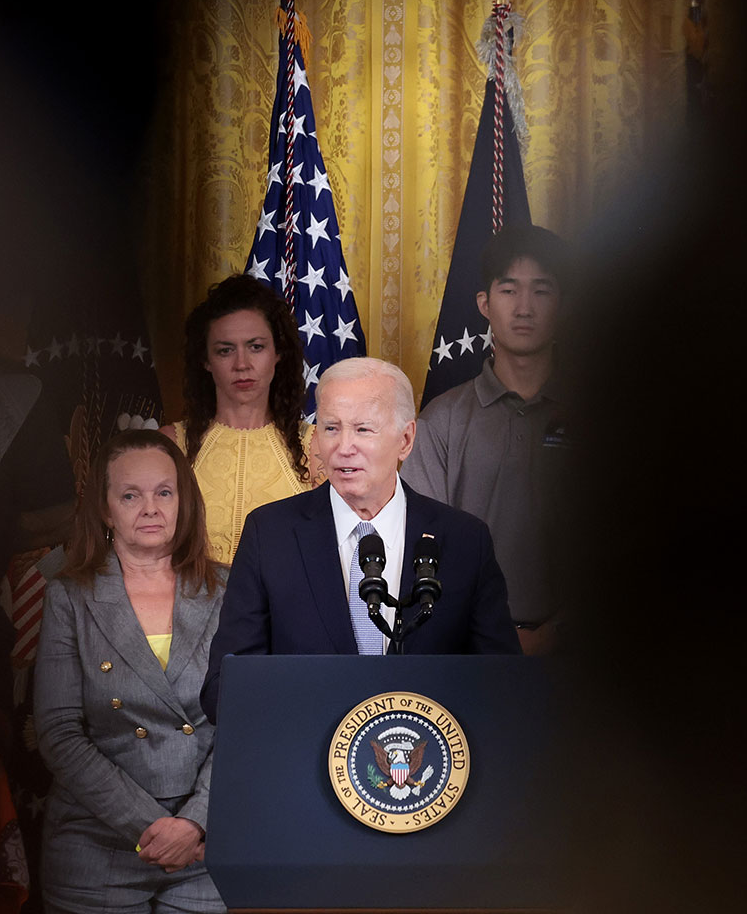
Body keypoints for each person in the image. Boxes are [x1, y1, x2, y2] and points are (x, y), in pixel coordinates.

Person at [201, 357, 521, 723]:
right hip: (304, 767)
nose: (343, 447)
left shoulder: (465, 541)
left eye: (363, 430)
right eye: (331, 428)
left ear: (406, 440)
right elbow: (222, 690)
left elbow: (505, 687)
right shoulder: (270, 534)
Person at [35, 429, 226, 914]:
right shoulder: (68, 597)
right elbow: (58, 733)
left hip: (206, 841)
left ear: (184, 500)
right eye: (130, 495)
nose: (150, 508)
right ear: (104, 508)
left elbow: (249, 723)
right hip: (96, 838)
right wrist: (149, 827)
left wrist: (194, 824)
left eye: (164, 492)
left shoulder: (230, 589)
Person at [403, 224, 571, 654]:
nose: (525, 308)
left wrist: (558, 633)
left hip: (583, 660)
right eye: (509, 290)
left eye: (542, 290)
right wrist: (494, 636)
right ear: (484, 304)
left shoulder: (603, 418)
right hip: (469, 655)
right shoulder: (441, 422)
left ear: (564, 304)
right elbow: (422, 551)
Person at [171, 275, 319, 565]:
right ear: (205, 360)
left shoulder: (317, 449)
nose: (242, 365)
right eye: (225, 350)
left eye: (256, 347)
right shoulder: (172, 446)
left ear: (278, 353)